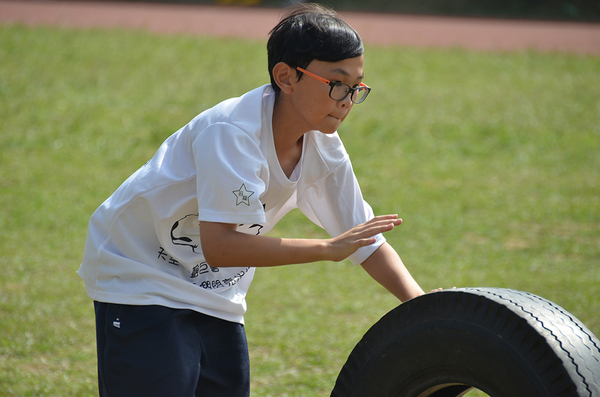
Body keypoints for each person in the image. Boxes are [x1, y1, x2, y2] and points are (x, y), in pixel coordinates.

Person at [79, 3, 425, 396]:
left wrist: (426, 309)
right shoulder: (231, 133)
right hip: (140, 271)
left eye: (357, 87)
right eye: (337, 83)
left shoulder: (323, 146)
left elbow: (363, 239)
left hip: (216, 291)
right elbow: (221, 246)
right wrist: (327, 249)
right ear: (286, 77)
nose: (347, 99)